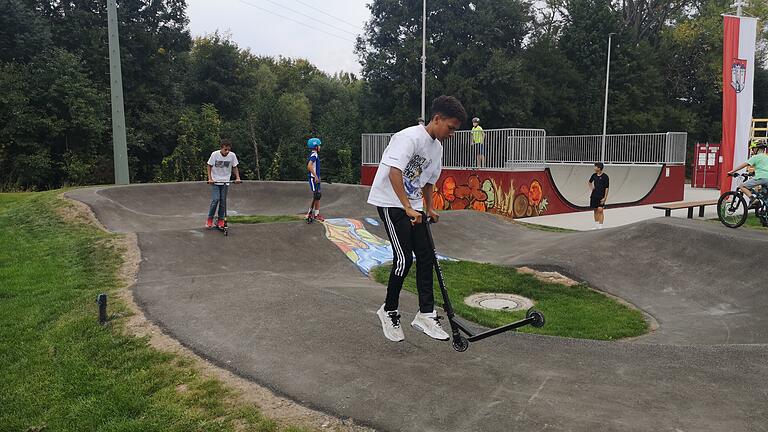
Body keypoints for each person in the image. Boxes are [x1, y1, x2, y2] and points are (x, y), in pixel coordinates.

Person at [368, 95, 467, 342]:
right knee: (403, 259)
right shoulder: (409, 137)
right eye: (450, 128)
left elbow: (429, 181)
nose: (452, 134)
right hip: (391, 203)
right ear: (437, 119)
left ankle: (425, 314)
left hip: (412, 205)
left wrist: (429, 208)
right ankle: (388, 310)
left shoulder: (437, 148)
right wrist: (406, 206)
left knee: (427, 256)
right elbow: (394, 172)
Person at [206, 139, 241, 228]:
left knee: (223, 201)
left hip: (225, 181)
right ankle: (210, 219)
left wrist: (237, 177)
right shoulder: (215, 154)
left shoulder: (232, 155)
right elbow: (209, 166)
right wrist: (210, 178)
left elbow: (235, 167)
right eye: (225, 149)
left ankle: (220, 220)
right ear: (221, 148)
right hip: (215, 181)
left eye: (228, 149)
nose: (227, 151)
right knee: (215, 200)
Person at [728, 141, 768, 209]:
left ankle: (753, 199)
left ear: (756, 149)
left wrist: (731, 171)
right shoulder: (766, 157)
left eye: (753, 149)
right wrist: (753, 173)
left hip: (761, 178)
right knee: (764, 196)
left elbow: (743, 165)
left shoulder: (755, 157)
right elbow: (764, 168)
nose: (752, 150)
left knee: (742, 186)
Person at [306, 136, 324, 221]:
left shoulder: (314, 154)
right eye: (319, 145)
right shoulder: (314, 155)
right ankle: (311, 213)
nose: (320, 147)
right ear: (315, 146)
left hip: (316, 178)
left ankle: (315, 214)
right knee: (316, 195)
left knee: (317, 196)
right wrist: (315, 176)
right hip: (313, 178)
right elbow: (309, 166)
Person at [588, 162, 609, 230]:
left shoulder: (605, 176)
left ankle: (600, 226)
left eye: (595, 167)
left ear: (599, 168)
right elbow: (589, 182)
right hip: (594, 195)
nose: (594, 168)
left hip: (601, 196)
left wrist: (605, 198)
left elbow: (607, 188)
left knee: (600, 210)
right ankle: (596, 225)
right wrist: (591, 188)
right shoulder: (594, 175)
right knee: (595, 210)